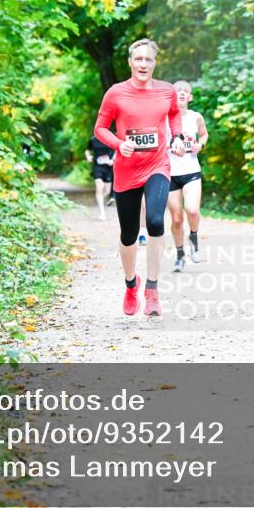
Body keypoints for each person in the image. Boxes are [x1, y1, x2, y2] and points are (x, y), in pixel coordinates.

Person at [94, 38, 186, 316]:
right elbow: (100, 129)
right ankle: (131, 284)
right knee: (129, 234)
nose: (143, 64)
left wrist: (178, 137)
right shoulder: (115, 93)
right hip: (126, 170)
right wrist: (118, 144)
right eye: (139, 59)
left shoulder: (167, 91)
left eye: (148, 59)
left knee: (157, 221)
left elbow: (174, 116)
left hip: (157, 166)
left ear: (154, 63)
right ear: (130, 62)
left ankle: (153, 290)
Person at [166, 81, 207, 272]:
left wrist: (201, 145)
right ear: (172, 96)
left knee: (192, 210)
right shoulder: (163, 118)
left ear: (190, 97)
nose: (181, 93)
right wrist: (170, 146)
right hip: (169, 173)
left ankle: (194, 237)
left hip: (191, 171)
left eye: (185, 91)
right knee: (176, 219)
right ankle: (180, 254)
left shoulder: (196, 117)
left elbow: (204, 134)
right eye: (177, 91)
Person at [85, 134, 115, 221]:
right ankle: (102, 213)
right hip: (97, 167)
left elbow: (117, 149)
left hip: (108, 168)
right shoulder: (93, 140)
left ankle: (102, 199)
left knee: (107, 191)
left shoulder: (110, 138)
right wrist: (88, 157)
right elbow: (87, 150)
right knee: (99, 187)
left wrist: (113, 160)